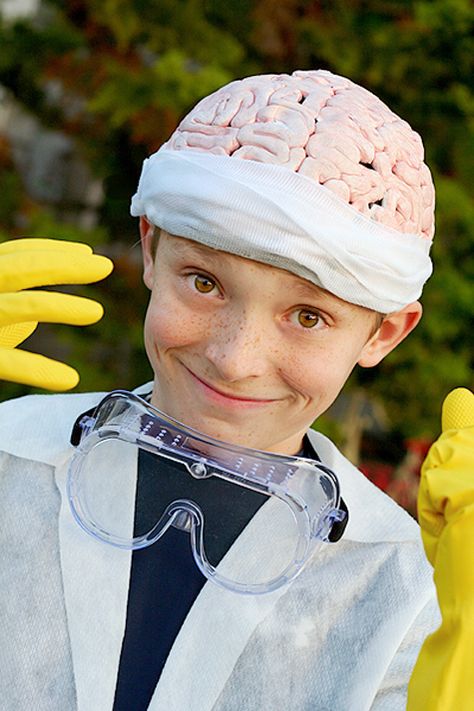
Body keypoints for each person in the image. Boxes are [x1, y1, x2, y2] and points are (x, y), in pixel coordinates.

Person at [0, 69, 444, 711]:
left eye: (309, 317)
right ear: (151, 247)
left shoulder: (411, 594)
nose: (235, 360)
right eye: (205, 282)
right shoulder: (8, 458)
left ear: (384, 333)